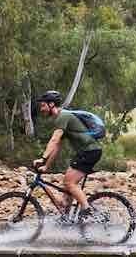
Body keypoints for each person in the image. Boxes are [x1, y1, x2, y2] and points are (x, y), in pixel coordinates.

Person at [34, 89, 100, 220]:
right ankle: (66, 217)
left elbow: (54, 140)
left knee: (69, 183)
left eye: (43, 105)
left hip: (89, 151)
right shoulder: (60, 118)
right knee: (67, 186)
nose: (41, 109)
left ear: (51, 104)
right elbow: (57, 147)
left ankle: (87, 209)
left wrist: (42, 158)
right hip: (86, 152)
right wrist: (46, 166)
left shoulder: (63, 116)